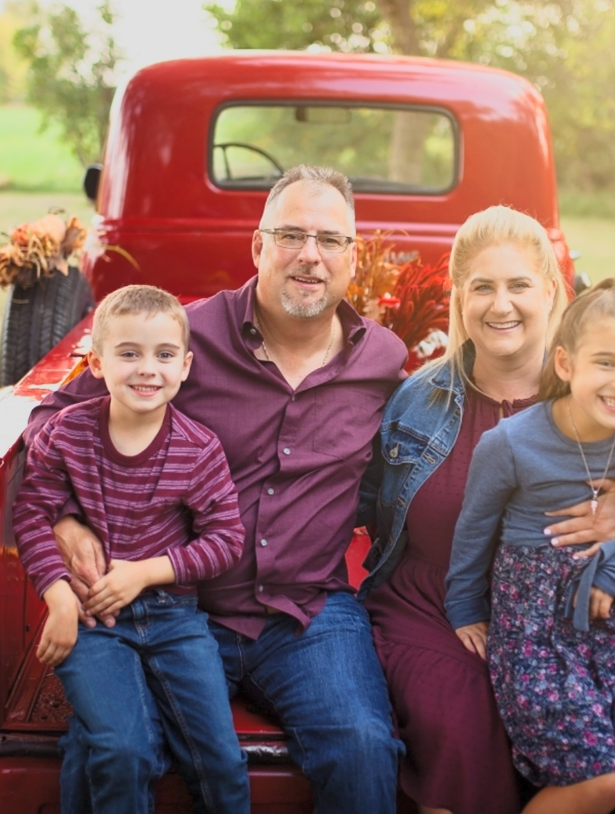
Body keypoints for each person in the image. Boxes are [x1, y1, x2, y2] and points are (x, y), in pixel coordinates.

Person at [25, 165, 408, 814]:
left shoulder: (382, 361)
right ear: (258, 247)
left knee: (364, 745)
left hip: (306, 610)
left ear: (352, 256)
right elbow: (47, 425)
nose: (309, 255)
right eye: (290, 234)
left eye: (328, 239)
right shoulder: (177, 340)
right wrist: (65, 523)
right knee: (108, 751)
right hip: (171, 607)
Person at [358, 206, 615, 814]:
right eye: (482, 287)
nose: (500, 305)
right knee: (467, 726)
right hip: (438, 602)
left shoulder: (610, 386)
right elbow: (362, 506)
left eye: (519, 285)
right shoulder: (417, 401)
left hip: (594, 606)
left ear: (551, 292)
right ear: (458, 297)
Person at [446, 277, 615, 814]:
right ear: (565, 364)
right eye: (606, 362)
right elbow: (474, 531)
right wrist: (465, 607)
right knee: (599, 781)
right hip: (537, 627)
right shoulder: (511, 443)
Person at [13, 285, 250, 814]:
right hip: (92, 619)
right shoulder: (66, 434)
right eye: (129, 353)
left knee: (220, 757)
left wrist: (145, 572)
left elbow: (227, 539)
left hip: (175, 618)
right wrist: (58, 599)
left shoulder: (198, 448)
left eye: (164, 355)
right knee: (124, 750)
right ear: (96, 363)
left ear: (186, 366)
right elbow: (32, 513)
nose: (148, 369)